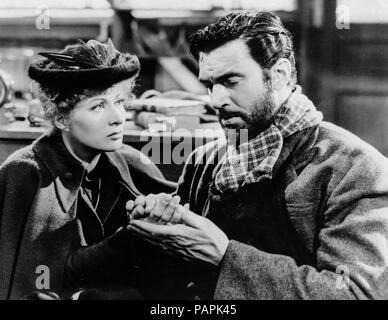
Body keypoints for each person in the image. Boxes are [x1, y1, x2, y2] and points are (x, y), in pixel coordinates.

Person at [126, 11, 388, 299]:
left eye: (230, 81)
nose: (216, 100)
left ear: (279, 75)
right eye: (210, 84)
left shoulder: (352, 168)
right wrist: (157, 229)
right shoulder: (205, 161)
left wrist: (226, 258)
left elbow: (353, 292)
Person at [0, 39, 176, 300]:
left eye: (120, 102)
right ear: (61, 117)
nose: (118, 117)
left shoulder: (131, 162)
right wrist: (133, 236)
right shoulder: (24, 173)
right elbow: (35, 281)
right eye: (98, 106)